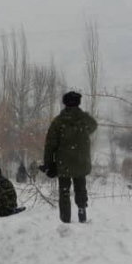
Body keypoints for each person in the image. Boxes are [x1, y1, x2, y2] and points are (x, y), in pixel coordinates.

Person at [42, 91, 98, 223]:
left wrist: (48, 164)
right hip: (81, 162)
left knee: (64, 191)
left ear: (64, 103)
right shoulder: (84, 120)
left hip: (64, 163)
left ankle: (65, 218)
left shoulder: (58, 121)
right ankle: (82, 210)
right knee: (80, 188)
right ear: (78, 103)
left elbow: (50, 144)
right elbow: (93, 126)